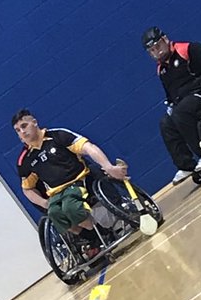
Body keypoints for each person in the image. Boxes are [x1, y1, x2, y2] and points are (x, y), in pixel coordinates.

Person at [12, 110, 127, 256]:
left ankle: (101, 234)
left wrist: (109, 167)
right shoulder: (25, 160)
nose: (22, 131)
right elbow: (27, 189)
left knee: (70, 208)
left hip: (79, 181)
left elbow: (88, 148)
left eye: (24, 126)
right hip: (57, 192)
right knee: (54, 213)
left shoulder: (57, 135)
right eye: (18, 130)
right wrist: (43, 203)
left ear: (34, 122)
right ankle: (95, 236)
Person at [142, 27, 201, 183]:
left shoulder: (187, 49)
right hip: (185, 103)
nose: (157, 52)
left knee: (180, 113)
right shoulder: (161, 69)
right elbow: (171, 95)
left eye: (157, 46)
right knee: (165, 123)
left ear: (165, 39)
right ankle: (186, 165)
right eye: (152, 50)